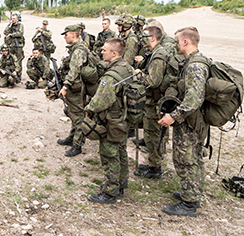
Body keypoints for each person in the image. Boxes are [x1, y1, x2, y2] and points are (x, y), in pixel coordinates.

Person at [158, 27, 207, 217]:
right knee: (189, 159)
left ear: (185, 42)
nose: (176, 44)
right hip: (188, 120)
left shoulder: (195, 66)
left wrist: (173, 116)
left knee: (188, 160)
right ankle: (190, 193)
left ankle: (189, 204)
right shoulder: (190, 62)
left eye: (178, 41)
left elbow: (194, 99)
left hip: (189, 122)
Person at [85, 38, 133, 204]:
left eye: (104, 50)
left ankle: (110, 192)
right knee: (121, 151)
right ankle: (121, 184)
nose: (101, 52)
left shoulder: (111, 76)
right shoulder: (127, 67)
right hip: (124, 118)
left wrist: (87, 109)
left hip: (112, 120)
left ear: (114, 53)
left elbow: (100, 102)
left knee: (109, 154)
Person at [133, 26, 169, 179]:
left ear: (153, 38)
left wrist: (138, 74)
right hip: (153, 102)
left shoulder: (159, 55)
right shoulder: (155, 53)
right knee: (150, 134)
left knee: (153, 135)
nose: (143, 40)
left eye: (145, 37)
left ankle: (155, 169)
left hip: (155, 103)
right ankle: (153, 164)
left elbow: (153, 81)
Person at [57, 25, 89, 157]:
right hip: (75, 87)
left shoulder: (78, 51)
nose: (64, 37)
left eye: (66, 34)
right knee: (72, 113)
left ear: (73, 34)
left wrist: (65, 86)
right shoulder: (76, 48)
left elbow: (75, 70)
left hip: (76, 88)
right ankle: (72, 137)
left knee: (78, 116)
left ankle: (78, 145)